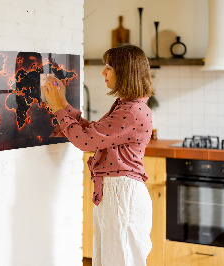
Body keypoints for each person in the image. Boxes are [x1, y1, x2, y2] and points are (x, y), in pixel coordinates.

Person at [42, 44, 154, 266]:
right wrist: (63, 104)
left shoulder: (131, 111)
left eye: (109, 67)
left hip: (122, 195)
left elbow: (85, 141)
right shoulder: (127, 106)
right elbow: (93, 133)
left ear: (125, 72)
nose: (103, 72)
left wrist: (58, 109)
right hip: (117, 193)